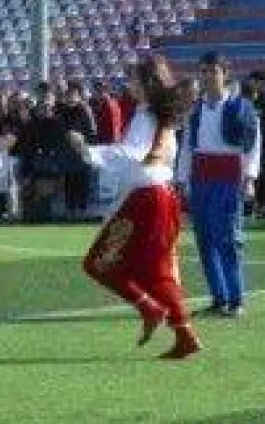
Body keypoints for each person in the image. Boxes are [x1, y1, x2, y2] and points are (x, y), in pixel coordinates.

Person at [84, 56, 202, 359]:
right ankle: (183, 332)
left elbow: (133, 153)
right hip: (163, 197)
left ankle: (149, 308)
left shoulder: (147, 115)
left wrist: (88, 151)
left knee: (98, 263)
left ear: (148, 83)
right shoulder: (162, 117)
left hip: (146, 200)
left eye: (134, 80)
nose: (129, 85)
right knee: (157, 270)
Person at [178, 53, 261, 317]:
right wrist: (182, 180)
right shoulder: (196, 111)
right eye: (203, 72)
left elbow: (254, 145)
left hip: (228, 177)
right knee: (204, 240)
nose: (208, 77)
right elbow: (187, 148)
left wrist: (249, 179)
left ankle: (236, 300)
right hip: (201, 177)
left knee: (228, 238)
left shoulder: (241, 108)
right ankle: (218, 298)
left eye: (213, 71)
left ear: (225, 73)